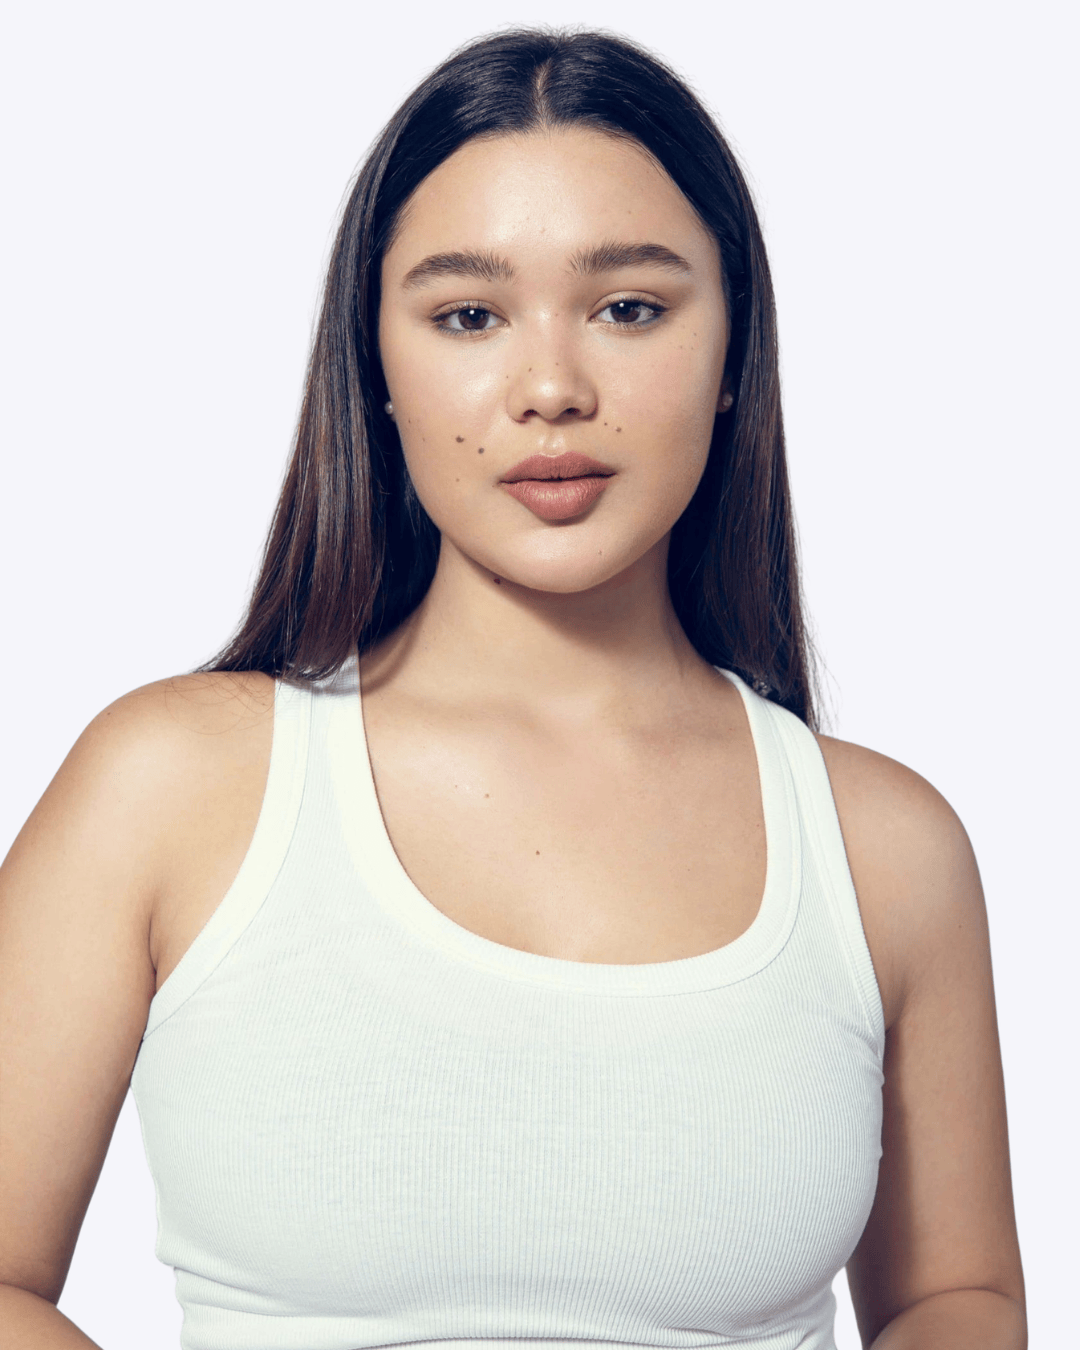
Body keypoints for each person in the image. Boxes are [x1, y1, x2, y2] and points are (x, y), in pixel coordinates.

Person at [0, 27, 1026, 1350]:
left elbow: (957, 1297)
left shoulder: (887, 848)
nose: (550, 388)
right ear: (375, 365)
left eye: (630, 308)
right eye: (469, 316)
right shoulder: (169, 787)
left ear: (734, 355)